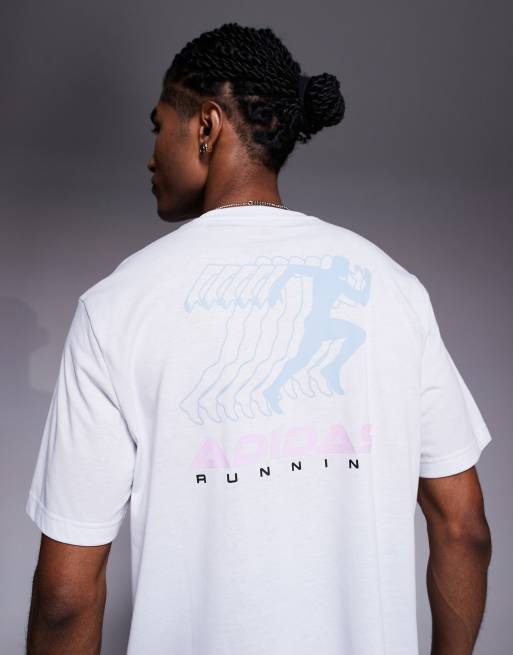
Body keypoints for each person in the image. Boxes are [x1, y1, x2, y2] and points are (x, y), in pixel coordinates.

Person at [25, 22, 492, 655]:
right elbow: (464, 530)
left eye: (159, 126)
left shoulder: (115, 308)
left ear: (207, 126)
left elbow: (65, 598)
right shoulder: (395, 289)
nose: (151, 154)